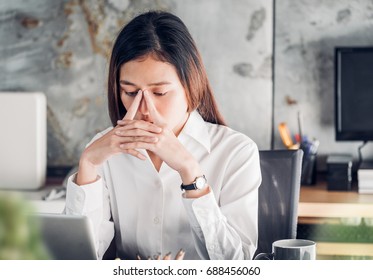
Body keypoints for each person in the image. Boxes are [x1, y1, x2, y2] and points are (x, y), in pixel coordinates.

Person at [65, 10, 261, 260]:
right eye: (130, 92)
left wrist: (190, 171)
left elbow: (237, 265)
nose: (145, 109)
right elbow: (74, 261)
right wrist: (88, 164)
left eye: (159, 93)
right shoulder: (104, 151)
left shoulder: (237, 152)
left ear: (191, 86)